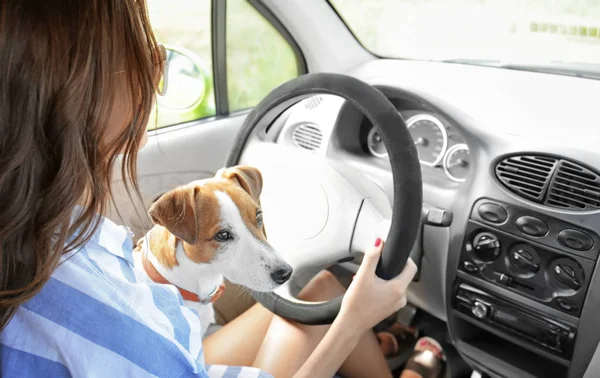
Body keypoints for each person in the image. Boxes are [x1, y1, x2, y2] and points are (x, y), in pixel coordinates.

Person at [0, 1, 427, 377]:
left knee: (326, 293)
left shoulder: (53, 237)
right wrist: (356, 320)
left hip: (184, 351)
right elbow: (137, 347)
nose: (157, 64)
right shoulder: (104, 324)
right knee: (336, 305)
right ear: (81, 93)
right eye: (143, 52)